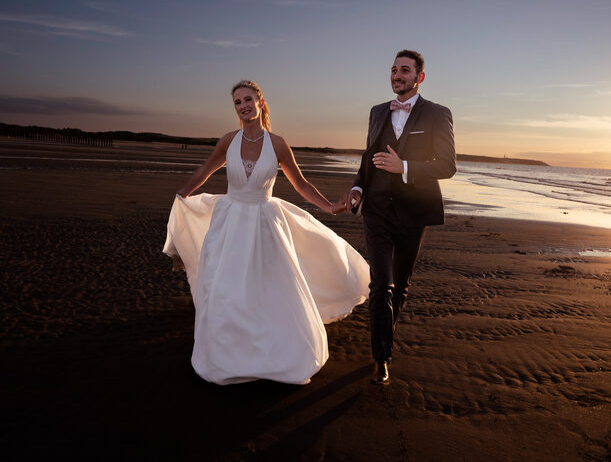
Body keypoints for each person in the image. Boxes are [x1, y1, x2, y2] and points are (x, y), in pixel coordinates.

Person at [163, 80, 369, 385]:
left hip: (264, 223)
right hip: (229, 221)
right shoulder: (227, 141)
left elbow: (300, 184)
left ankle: (275, 353)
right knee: (225, 287)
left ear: (261, 102)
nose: (243, 106)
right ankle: (226, 354)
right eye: (237, 102)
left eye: (248, 99)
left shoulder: (278, 144)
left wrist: (328, 206)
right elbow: (203, 173)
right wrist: (181, 195)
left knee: (268, 287)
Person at [339, 50, 456, 385]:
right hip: (376, 209)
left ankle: (384, 338)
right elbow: (367, 156)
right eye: (393, 69)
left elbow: (447, 165)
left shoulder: (437, 114)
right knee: (381, 284)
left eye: (404, 70)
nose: (397, 75)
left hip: (413, 210)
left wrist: (404, 167)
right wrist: (358, 188)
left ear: (419, 77)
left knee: (400, 286)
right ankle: (382, 358)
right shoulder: (377, 112)